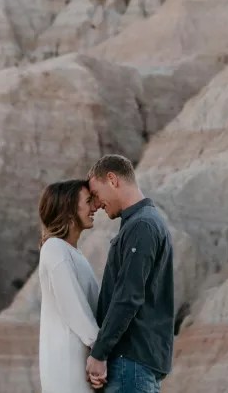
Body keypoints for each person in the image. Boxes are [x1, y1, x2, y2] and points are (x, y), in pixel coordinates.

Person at [84, 154, 174, 393]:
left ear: (112, 179)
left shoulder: (142, 226)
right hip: (137, 362)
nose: (97, 204)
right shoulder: (142, 223)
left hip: (130, 362)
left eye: (96, 194)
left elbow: (128, 296)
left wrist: (99, 353)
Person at [38, 179, 102, 392]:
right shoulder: (55, 249)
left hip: (81, 363)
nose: (95, 207)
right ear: (69, 208)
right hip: (67, 367)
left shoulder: (73, 253)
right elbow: (73, 308)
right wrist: (101, 351)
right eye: (88, 201)